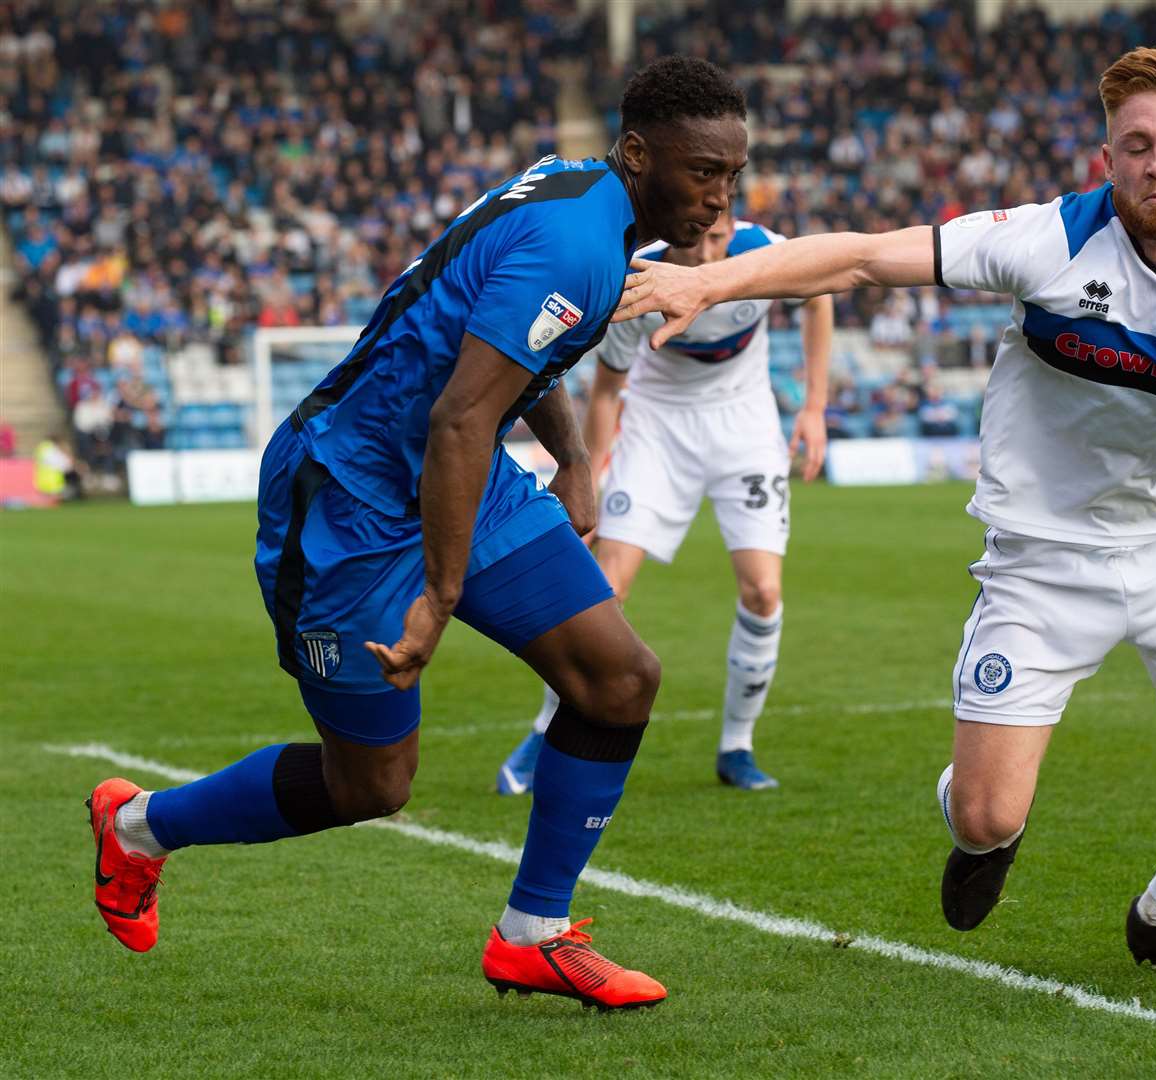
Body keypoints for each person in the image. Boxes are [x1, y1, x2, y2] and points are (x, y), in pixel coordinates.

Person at [617, 47, 1156, 973]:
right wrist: (707, 281)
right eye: (1138, 144)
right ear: (1107, 155)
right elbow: (867, 260)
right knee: (988, 816)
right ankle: (985, 824)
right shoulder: (1044, 240)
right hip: (1040, 562)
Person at [85, 56, 750, 1012]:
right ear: (640, 153)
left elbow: (514, 360)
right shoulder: (582, 244)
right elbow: (461, 418)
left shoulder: (592, 206)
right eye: (703, 173)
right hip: (352, 499)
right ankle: (139, 829)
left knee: (618, 679)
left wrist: (570, 457)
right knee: (373, 786)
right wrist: (438, 598)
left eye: (733, 175)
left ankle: (535, 935)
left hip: (456, 476)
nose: (719, 198)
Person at [496, 210, 831, 795]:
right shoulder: (638, 281)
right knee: (606, 588)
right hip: (657, 426)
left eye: (721, 236)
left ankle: (737, 746)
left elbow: (819, 295)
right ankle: (545, 731)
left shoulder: (761, 249)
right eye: (700, 237)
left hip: (745, 424)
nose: (710, 250)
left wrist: (814, 406)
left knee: (764, 590)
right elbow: (606, 392)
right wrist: (589, 477)